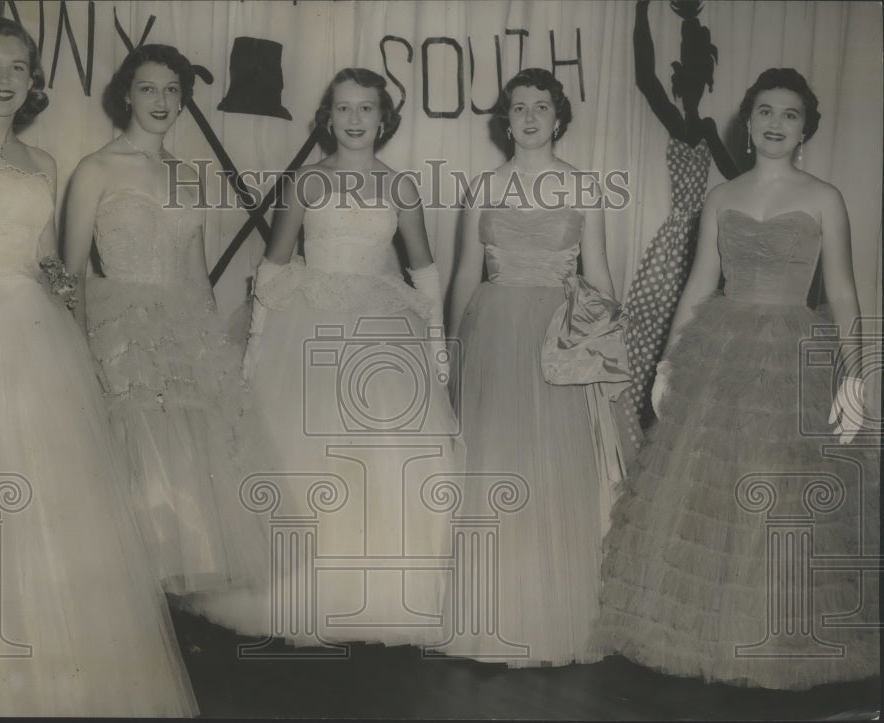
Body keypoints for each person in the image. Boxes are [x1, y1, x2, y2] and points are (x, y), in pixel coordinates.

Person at [0, 18, 197, 716]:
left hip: (34, 342)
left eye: (18, 67)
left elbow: (50, 262)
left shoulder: (44, 164)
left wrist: (69, 297)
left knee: (47, 511)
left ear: (33, 80)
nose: (4, 78)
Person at [592, 67, 880, 689]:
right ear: (747, 123)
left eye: (791, 115)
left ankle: (776, 635)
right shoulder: (721, 198)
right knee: (708, 492)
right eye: (766, 112)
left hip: (792, 352)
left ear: (806, 129)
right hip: (720, 353)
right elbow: (699, 282)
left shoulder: (824, 196)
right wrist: (668, 364)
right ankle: (700, 633)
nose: (776, 123)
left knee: (779, 491)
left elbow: (845, 294)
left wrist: (857, 376)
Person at [240, 67, 460, 648]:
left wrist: (437, 348)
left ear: (383, 119)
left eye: (366, 109)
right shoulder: (307, 184)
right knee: (306, 456)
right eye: (343, 109)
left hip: (380, 327)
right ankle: (303, 594)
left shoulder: (400, 187)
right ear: (328, 118)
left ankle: (381, 596)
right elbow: (275, 267)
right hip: (307, 327)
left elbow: (425, 272)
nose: (355, 119)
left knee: (384, 455)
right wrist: (257, 346)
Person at [63, 43, 270, 635]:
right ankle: (124, 623)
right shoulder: (95, 169)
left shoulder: (190, 175)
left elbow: (198, 275)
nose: (161, 101)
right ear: (126, 93)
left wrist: (211, 352)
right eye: (149, 88)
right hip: (118, 328)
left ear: (183, 101)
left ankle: (169, 626)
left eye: (172, 90)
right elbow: (71, 271)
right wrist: (81, 351)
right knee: (135, 467)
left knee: (186, 474)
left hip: (182, 330)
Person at [445, 67, 626, 667]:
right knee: (495, 464)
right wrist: (449, 348)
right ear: (506, 119)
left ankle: (551, 614)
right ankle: (490, 612)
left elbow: (597, 274)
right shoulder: (483, 186)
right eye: (518, 107)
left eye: (540, 107)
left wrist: (604, 352)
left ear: (558, 117)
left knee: (553, 470)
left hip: (558, 336)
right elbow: (465, 276)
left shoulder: (583, 188)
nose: (528, 117)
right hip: (492, 332)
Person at [622, 0, 741, 428]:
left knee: (688, 336)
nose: (690, 86)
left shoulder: (705, 129)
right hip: (675, 242)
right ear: (678, 81)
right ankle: (643, 423)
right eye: (685, 77)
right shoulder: (680, 123)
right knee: (652, 330)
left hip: (703, 242)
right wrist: (640, 12)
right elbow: (644, 75)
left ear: (705, 80)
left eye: (698, 77)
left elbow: (740, 180)